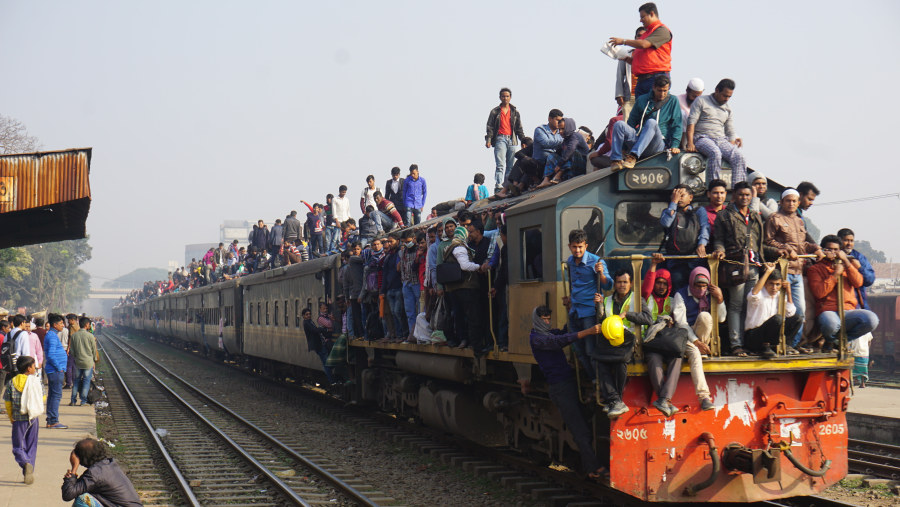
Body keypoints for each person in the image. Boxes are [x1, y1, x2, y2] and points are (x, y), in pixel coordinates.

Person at [528, 306, 605, 479]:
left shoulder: (548, 333)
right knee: (579, 430)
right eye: (544, 319)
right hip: (560, 388)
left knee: (584, 424)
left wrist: (572, 311)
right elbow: (560, 341)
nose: (547, 322)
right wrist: (588, 331)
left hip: (568, 384)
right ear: (537, 320)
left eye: (548, 319)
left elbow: (564, 332)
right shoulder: (537, 339)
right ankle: (593, 468)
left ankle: (591, 465)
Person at [712, 181, 777, 356]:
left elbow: (760, 245)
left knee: (753, 304)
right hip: (735, 265)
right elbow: (718, 239)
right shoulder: (724, 216)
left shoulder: (755, 216)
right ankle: (736, 344)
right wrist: (719, 250)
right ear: (734, 196)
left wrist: (779, 252)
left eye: (748, 195)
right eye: (741, 195)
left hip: (754, 267)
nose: (745, 198)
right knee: (736, 305)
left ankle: (753, 342)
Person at [642, 255, 715, 410]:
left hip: (670, 340)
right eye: (658, 282)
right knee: (653, 360)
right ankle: (665, 400)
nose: (661, 286)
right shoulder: (647, 299)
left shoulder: (672, 299)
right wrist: (653, 266)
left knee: (677, 357)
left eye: (664, 283)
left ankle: (665, 400)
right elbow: (647, 288)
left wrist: (719, 300)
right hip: (653, 341)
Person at [764, 188, 823, 352]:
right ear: (781, 202)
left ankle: (793, 344)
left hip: (797, 272)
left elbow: (803, 244)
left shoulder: (799, 221)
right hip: (782, 272)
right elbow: (768, 241)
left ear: (798, 203)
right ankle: (779, 343)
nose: (791, 203)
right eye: (788, 200)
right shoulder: (774, 219)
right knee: (781, 311)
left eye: (794, 201)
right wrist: (785, 248)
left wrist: (816, 248)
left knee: (800, 311)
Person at [807, 235, 879, 352]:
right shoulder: (815, 269)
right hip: (828, 311)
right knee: (831, 324)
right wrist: (835, 274)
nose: (833, 252)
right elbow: (819, 293)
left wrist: (846, 262)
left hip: (848, 311)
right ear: (823, 250)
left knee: (872, 320)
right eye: (829, 249)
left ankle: (839, 342)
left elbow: (858, 282)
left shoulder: (847, 266)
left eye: (836, 250)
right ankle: (829, 340)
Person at [563, 229, 612, 378]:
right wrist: (571, 299)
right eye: (574, 247)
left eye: (580, 247)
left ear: (586, 246)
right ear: (569, 246)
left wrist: (601, 273)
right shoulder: (570, 261)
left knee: (591, 350)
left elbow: (608, 285)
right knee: (578, 350)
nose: (577, 250)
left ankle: (599, 383)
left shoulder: (597, 261)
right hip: (575, 311)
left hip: (590, 312)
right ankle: (593, 380)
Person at [608, 75, 682, 171]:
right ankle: (616, 160)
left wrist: (675, 145)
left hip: (657, 144)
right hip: (639, 139)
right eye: (660, 90)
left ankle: (633, 156)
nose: (662, 94)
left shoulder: (673, 101)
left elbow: (677, 125)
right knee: (619, 125)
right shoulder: (642, 100)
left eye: (665, 91)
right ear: (654, 88)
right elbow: (631, 123)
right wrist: (624, 147)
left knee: (651, 122)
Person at [594, 270, 637, 418]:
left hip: (630, 341)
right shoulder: (607, 300)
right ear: (615, 284)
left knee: (620, 363)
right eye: (619, 282)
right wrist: (599, 306)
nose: (622, 285)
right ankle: (616, 401)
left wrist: (627, 315)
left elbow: (647, 319)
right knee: (599, 362)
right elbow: (602, 321)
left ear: (630, 284)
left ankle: (615, 400)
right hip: (612, 341)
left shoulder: (637, 299)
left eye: (625, 282)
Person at [685, 78, 746, 183]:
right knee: (715, 153)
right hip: (702, 137)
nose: (727, 99)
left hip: (720, 139)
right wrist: (690, 143)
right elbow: (691, 123)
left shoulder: (727, 109)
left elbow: (730, 132)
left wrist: (729, 150)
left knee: (738, 156)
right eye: (725, 95)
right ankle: (715, 186)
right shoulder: (701, 101)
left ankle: (738, 189)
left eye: (729, 96)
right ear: (717, 90)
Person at [609, 2, 673, 97]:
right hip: (643, 80)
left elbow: (644, 44)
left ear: (652, 14)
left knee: (652, 109)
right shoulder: (646, 34)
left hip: (656, 78)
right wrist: (630, 61)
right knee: (641, 110)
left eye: (643, 17)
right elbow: (647, 58)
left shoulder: (661, 30)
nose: (640, 20)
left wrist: (623, 41)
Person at [442, 224, 487, 355]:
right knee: (474, 318)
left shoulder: (449, 248)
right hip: (465, 288)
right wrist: (480, 267)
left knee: (460, 317)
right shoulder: (459, 247)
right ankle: (477, 349)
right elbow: (464, 265)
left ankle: (467, 341)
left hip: (453, 289)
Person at [744, 263, 804, 358]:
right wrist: (768, 272)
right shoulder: (759, 293)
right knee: (777, 319)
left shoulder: (779, 295)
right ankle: (765, 347)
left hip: (772, 334)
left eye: (777, 284)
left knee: (797, 318)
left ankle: (785, 345)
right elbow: (753, 294)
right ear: (765, 283)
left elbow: (790, 313)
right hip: (754, 336)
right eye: (771, 284)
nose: (774, 288)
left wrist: (788, 291)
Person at [62, 438, 142, 507]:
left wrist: (74, 468)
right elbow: (76, 488)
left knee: (83, 498)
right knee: (83, 492)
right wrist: (71, 478)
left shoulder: (95, 473)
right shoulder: (108, 465)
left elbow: (68, 494)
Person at [659, 184, 709, 290]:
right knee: (677, 282)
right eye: (676, 195)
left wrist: (702, 244)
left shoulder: (699, 211)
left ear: (690, 197)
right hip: (675, 261)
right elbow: (666, 223)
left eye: (682, 195)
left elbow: (705, 228)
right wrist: (673, 203)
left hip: (695, 259)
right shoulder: (668, 212)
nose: (679, 198)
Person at [4, 356, 42, 485]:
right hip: (33, 418)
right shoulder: (36, 382)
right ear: (28, 368)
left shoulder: (12, 382)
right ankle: (29, 468)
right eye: (33, 366)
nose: (35, 367)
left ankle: (25, 464)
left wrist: (11, 417)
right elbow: (42, 398)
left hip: (19, 419)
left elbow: (8, 402)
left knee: (18, 447)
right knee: (32, 446)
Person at [485, 87, 527, 193]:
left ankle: (507, 186)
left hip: (512, 140)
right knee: (500, 164)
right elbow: (490, 126)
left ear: (510, 97)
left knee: (511, 165)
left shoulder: (515, 112)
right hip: (500, 138)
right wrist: (489, 139)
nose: (505, 98)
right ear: (500, 97)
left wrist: (523, 140)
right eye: (503, 96)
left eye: (507, 96)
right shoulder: (495, 111)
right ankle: (499, 185)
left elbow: (519, 128)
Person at [614, 26, 648, 120]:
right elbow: (620, 75)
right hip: (630, 96)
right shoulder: (627, 54)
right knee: (628, 125)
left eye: (644, 36)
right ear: (635, 38)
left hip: (645, 95)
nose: (641, 38)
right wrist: (619, 94)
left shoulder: (650, 55)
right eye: (638, 36)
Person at [838, 228, 876, 310]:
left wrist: (859, 268)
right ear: (839, 241)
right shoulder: (832, 257)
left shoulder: (859, 258)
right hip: (836, 303)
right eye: (846, 240)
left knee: (872, 320)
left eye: (851, 241)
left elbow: (870, 280)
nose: (849, 244)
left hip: (857, 303)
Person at [381, 234, 408, 342]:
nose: (389, 243)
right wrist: (383, 290)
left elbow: (399, 269)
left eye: (391, 241)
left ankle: (403, 334)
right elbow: (385, 274)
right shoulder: (388, 257)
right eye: (388, 241)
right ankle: (398, 335)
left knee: (398, 312)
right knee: (393, 313)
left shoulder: (400, 253)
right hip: (390, 289)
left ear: (397, 241)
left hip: (398, 287)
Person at [44, 314, 69, 429]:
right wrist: (59, 367)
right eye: (61, 324)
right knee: (56, 396)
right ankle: (54, 420)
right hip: (55, 371)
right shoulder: (53, 337)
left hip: (53, 370)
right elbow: (50, 354)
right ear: (55, 324)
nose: (63, 326)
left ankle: (50, 419)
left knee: (52, 395)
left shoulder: (51, 335)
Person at [399, 229, 423, 342]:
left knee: (420, 310)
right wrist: (403, 280)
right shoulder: (404, 251)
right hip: (407, 283)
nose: (406, 243)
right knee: (409, 311)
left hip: (417, 283)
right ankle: (412, 335)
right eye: (404, 242)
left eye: (408, 241)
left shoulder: (419, 249)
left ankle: (420, 335)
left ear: (414, 239)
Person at [69, 317, 98, 406]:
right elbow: (94, 350)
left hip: (78, 362)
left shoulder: (74, 336)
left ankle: (73, 400)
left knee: (76, 381)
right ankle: (83, 401)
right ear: (86, 325)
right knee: (86, 381)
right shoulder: (90, 336)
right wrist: (94, 361)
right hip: (88, 362)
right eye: (89, 324)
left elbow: (72, 351)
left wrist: (77, 357)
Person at [301, 309, 335, 384]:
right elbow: (314, 330)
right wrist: (322, 329)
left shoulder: (310, 321)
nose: (309, 315)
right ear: (303, 316)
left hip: (319, 345)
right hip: (318, 346)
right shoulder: (306, 323)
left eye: (309, 314)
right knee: (326, 363)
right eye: (307, 314)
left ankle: (331, 377)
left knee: (326, 361)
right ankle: (331, 380)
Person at [703, 179, 728, 243]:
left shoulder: (730, 211)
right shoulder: (703, 213)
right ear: (708, 194)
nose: (719, 196)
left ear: (725, 194)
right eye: (715, 193)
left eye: (722, 193)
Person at [332, 185, 352, 251]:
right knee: (336, 238)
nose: (343, 194)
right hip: (338, 220)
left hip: (345, 220)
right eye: (342, 192)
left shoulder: (346, 200)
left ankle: (344, 249)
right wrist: (336, 221)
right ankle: (333, 250)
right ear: (340, 191)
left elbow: (348, 210)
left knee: (346, 237)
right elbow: (334, 211)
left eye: (345, 192)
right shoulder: (335, 199)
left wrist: (350, 219)